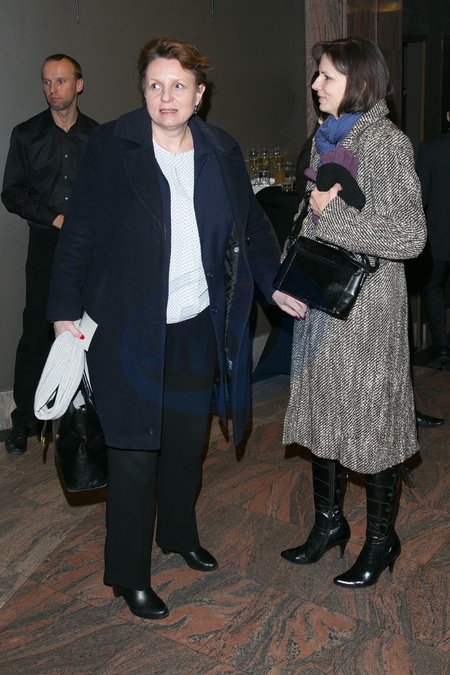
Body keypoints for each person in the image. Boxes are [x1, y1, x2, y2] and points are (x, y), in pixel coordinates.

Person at [46, 36, 304, 619]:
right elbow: (78, 232)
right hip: (128, 328)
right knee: (135, 453)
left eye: (179, 86)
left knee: (187, 447)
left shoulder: (220, 149)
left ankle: (179, 535)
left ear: (199, 94)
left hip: (194, 325)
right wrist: (63, 313)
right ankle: (129, 573)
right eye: (156, 85)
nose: (167, 97)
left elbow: (251, 227)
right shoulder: (113, 145)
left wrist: (273, 283)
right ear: (143, 90)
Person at [280, 37, 427, 588]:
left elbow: (411, 235)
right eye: (317, 75)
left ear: (358, 83)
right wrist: (289, 278)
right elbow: (310, 214)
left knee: (372, 424)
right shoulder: (327, 137)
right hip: (323, 303)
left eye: (326, 76)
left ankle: (381, 540)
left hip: (367, 313)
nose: (315, 85)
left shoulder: (386, 144)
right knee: (323, 416)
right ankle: (329, 524)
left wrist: (334, 216)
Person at [1, 54, 98, 455]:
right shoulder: (26, 134)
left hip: (91, 245)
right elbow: (11, 192)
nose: (52, 89)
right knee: (37, 329)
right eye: (46, 82)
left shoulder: (98, 136)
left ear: (78, 84)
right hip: (46, 243)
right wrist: (55, 218)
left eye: (60, 81)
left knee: (90, 327)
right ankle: (24, 418)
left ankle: (87, 416)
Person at [416, 108, 450, 368]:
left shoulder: (431, 148)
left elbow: (421, 198)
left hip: (439, 234)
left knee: (433, 289)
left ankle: (442, 347)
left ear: (448, 116)